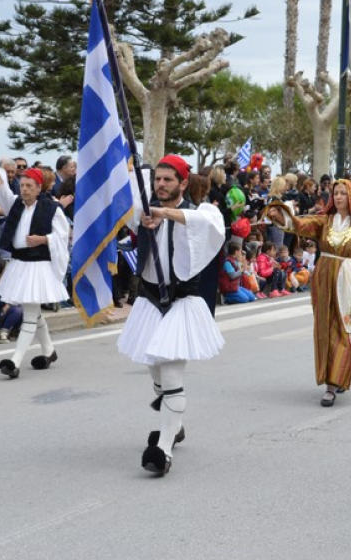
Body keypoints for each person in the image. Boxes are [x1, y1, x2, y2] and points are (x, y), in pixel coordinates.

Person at [117, 155, 225, 476]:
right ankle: (174, 425)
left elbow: (207, 226)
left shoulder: (201, 212)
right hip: (149, 300)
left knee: (173, 376)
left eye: (168, 179)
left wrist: (165, 214)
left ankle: (161, 451)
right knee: (156, 375)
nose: (161, 184)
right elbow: (125, 208)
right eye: (158, 179)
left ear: (183, 183)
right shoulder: (144, 211)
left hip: (181, 301)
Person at [265, 177, 351, 407]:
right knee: (325, 325)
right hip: (324, 277)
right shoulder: (325, 221)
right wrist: (280, 217)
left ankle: (334, 382)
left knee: (344, 327)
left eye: (343, 193)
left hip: (348, 279)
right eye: (335, 193)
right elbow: (300, 224)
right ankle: (331, 379)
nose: (338, 196)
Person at [0, 149, 69, 378]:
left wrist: (44, 239)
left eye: (29, 186)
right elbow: (1, 190)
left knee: (30, 314)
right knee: (34, 311)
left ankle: (15, 361)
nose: (24, 189)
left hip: (38, 266)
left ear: (39, 188)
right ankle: (49, 351)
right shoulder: (16, 205)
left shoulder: (52, 209)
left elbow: (63, 235)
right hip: (20, 264)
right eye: (22, 185)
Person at [219, 240, 255, 304]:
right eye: (240, 251)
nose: (241, 253)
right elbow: (232, 276)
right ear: (236, 252)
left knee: (252, 297)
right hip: (229, 289)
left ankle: (235, 296)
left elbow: (246, 273)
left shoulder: (236, 261)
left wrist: (245, 268)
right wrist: (241, 270)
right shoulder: (228, 262)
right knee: (245, 299)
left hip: (235, 287)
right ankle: (227, 299)